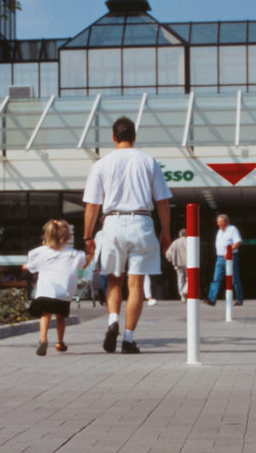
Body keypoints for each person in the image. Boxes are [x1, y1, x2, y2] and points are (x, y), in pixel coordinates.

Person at [82, 116, 172, 354]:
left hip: (112, 223)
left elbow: (92, 205)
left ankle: (113, 322)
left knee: (114, 279)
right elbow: (162, 200)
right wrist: (165, 231)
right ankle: (129, 339)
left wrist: (88, 237)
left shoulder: (101, 164)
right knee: (136, 284)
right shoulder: (148, 162)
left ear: (113, 137)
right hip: (142, 221)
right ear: (134, 137)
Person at [23, 219, 90, 355]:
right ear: (68, 237)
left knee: (45, 315)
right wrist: (92, 254)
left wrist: (24, 267)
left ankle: (43, 339)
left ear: (47, 236)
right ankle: (60, 342)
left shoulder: (41, 252)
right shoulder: (74, 254)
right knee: (60, 317)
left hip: (46, 291)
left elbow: (29, 266)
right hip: (64, 293)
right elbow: (84, 264)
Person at [205, 214, 243, 306]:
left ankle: (239, 299)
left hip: (231, 257)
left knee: (234, 278)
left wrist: (229, 251)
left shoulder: (232, 229)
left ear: (226, 222)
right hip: (220, 258)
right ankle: (212, 299)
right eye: (218, 222)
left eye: (220, 222)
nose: (218, 224)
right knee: (216, 278)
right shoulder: (219, 231)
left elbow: (238, 242)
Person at [166, 229, 189, 301]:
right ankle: (185, 291)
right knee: (189, 279)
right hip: (188, 263)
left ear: (180, 234)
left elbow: (168, 254)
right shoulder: (189, 241)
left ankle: (182, 295)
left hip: (178, 263)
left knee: (180, 279)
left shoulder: (175, 242)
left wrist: (171, 260)